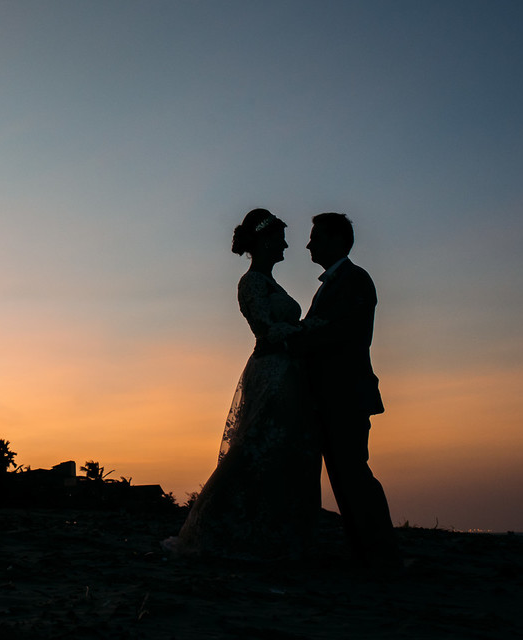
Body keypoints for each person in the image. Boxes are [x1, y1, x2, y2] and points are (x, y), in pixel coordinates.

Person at [163, 208, 321, 560]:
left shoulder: (270, 283)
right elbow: (265, 329)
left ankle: (274, 531)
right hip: (271, 373)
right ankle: (217, 526)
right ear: (265, 241)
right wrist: (309, 329)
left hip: (288, 372)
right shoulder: (250, 283)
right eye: (280, 238)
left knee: (282, 452)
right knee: (255, 448)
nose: (285, 245)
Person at [291, 212, 400, 568]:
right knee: (343, 475)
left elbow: (342, 334)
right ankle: (366, 552)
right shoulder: (333, 283)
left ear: (337, 240)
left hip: (346, 394)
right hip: (329, 396)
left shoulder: (355, 280)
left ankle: (381, 554)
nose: (309, 244)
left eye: (316, 237)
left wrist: (296, 341)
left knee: (353, 472)